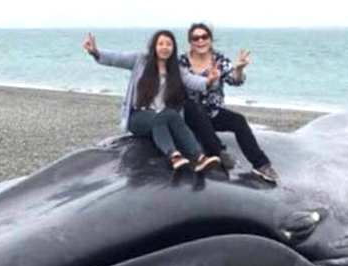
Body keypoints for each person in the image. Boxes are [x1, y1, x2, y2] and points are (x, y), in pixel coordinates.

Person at [83, 30, 221, 172]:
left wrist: (210, 80)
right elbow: (116, 58)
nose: (164, 47)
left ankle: (199, 158)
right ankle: (173, 155)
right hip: (138, 116)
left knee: (172, 114)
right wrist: (95, 51)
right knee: (160, 118)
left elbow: (194, 82)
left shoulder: (176, 69)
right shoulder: (141, 60)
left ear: (173, 48)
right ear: (154, 46)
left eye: (168, 44)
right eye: (161, 43)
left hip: (163, 115)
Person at [180, 22, 279, 183]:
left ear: (210, 39)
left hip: (213, 112)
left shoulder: (218, 59)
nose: (200, 41)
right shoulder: (182, 62)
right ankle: (219, 152)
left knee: (238, 121)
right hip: (190, 115)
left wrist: (239, 69)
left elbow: (235, 81)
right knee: (192, 107)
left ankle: (261, 165)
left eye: (204, 37)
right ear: (190, 42)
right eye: (195, 38)